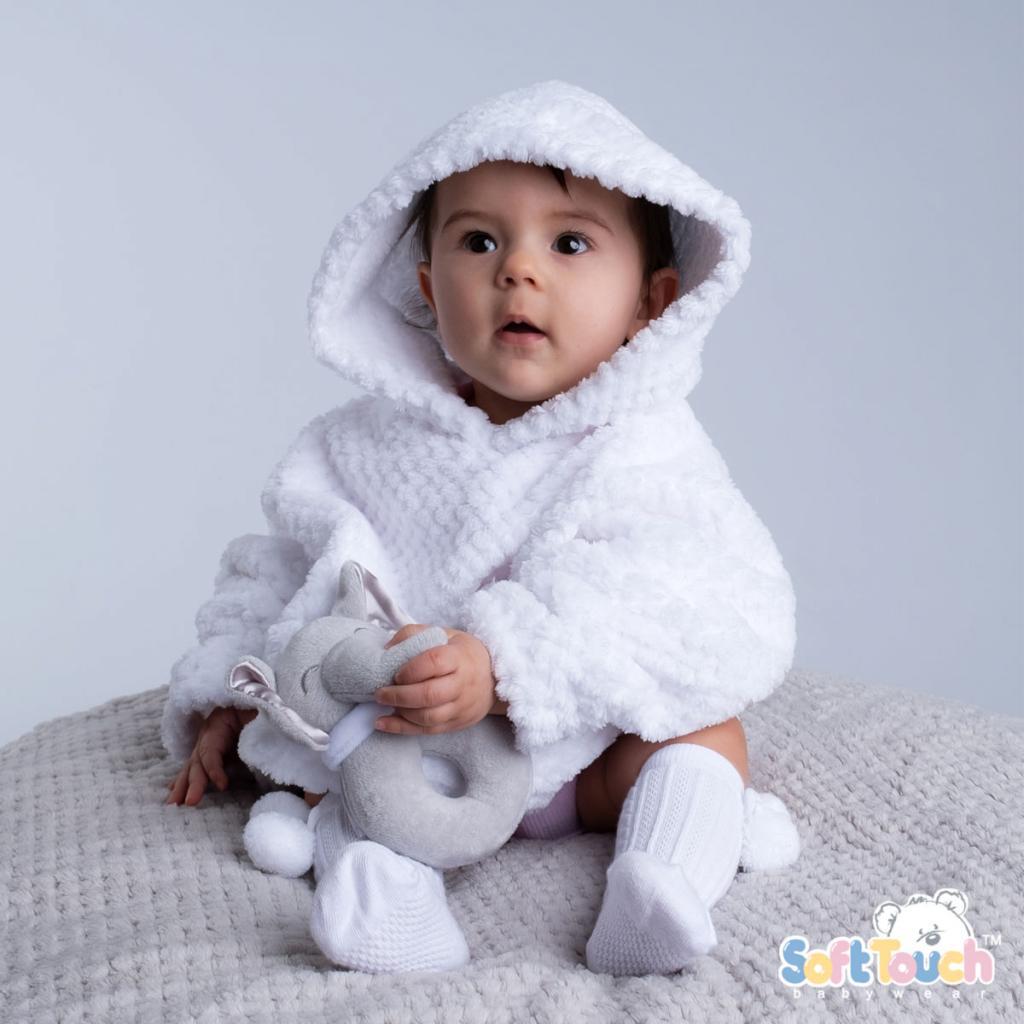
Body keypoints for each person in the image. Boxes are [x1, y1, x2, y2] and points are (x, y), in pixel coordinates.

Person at [163, 79, 798, 976]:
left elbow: (689, 593)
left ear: (651, 301)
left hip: (580, 759)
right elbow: (279, 571)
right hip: (406, 757)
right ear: (427, 289)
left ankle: (661, 882)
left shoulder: (643, 446)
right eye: (478, 241)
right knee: (337, 784)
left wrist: (504, 664)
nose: (518, 270)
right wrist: (236, 693)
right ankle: (389, 902)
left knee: (704, 733)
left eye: (569, 242)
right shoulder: (360, 444)